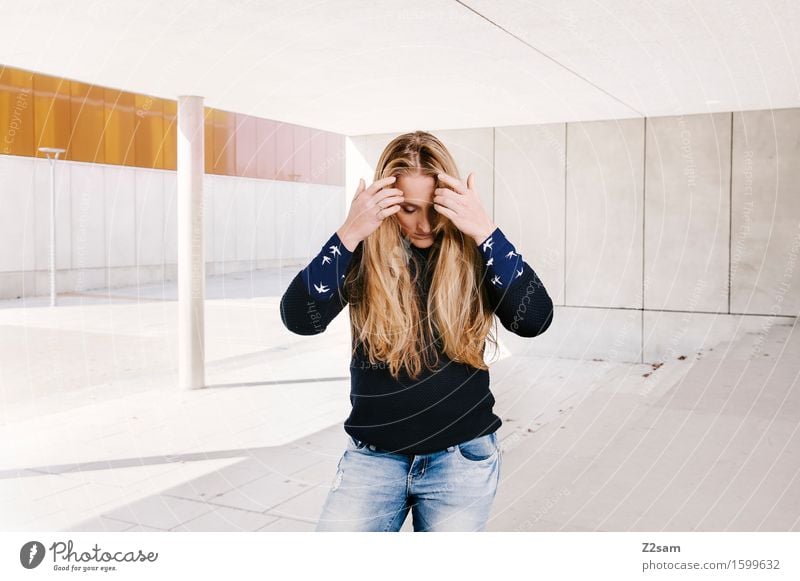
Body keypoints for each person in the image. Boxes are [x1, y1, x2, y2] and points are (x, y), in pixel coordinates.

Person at [279, 130, 553, 531]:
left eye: (433, 209)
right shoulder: (362, 256)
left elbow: (535, 320)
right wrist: (349, 232)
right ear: (386, 204)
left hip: (461, 461)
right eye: (407, 209)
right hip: (373, 460)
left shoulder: (478, 254)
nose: (424, 225)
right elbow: (301, 319)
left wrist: (486, 232)